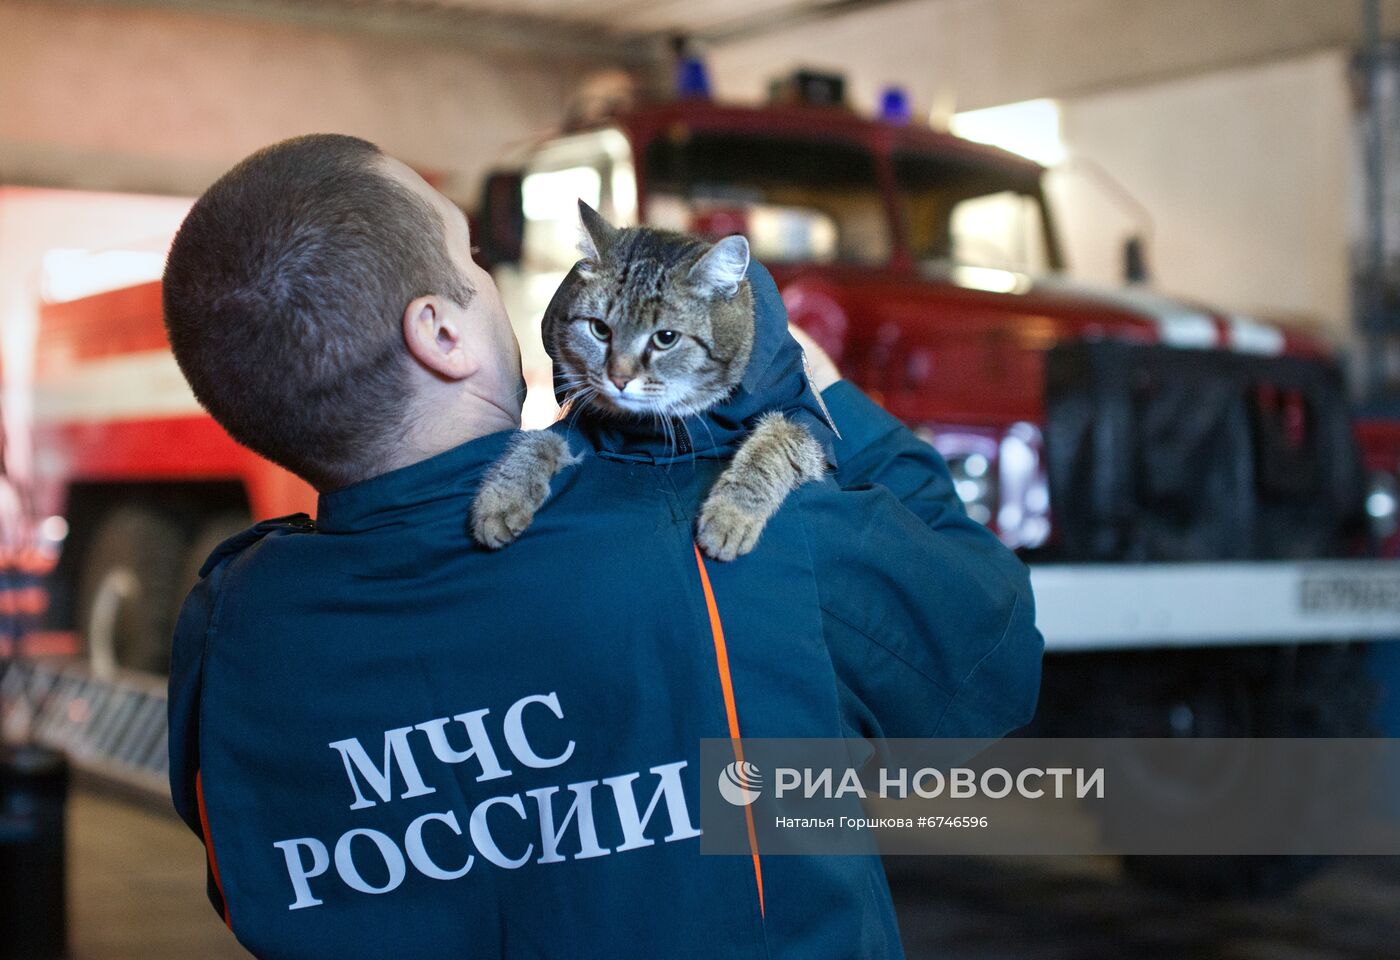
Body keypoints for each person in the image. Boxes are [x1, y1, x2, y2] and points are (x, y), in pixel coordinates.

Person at [163, 133, 1043, 960]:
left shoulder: (225, 633)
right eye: (472, 257)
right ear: (440, 334)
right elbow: (995, 656)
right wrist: (824, 390)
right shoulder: (745, 545)